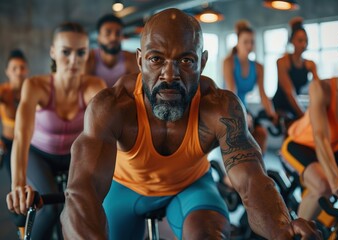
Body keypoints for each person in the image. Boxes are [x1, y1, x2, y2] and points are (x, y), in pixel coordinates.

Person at [60, 9, 321, 240]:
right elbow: (82, 191)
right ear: (140, 60)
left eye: (185, 61)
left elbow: (252, 180)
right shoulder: (113, 106)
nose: (170, 75)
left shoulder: (220, 107)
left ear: (202, 62)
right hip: (124, 188)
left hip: (191, 187)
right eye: (156, 59)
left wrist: (282, 229)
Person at [6, 22, 106, 239]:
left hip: (73, 156)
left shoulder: (94, 86)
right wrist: (18, 185)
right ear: (53, 52)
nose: (73, 60)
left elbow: (106, 132)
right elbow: (22, 137)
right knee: (48, 208)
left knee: (78, 209)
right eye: (66, 52)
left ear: (88, 53)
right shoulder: (35, 86)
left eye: (81, 52)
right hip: (39, 154)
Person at [280, 27, 338, 221]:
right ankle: (296, 234)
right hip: (299, 145)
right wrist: (335, 179)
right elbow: (321, 137)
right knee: (324, 184)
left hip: (330, 150)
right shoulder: (322, 88)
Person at [223, 20, 277, 153]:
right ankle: (231, 173)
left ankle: (259, 169)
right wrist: (242, 115)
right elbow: (232, 92)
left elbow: (263, 94)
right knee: (240, 140)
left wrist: (273, 114)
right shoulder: (229, 62)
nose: (249, 45)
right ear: (238, 43)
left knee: (262, 134)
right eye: (245, 42)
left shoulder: (258, 67)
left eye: (252, 42)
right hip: (229, 106)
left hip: (244, 107)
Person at [273, 17, 319, 124]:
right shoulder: (282, 62)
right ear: (292, 41)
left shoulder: (310, 64)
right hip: (280, 106)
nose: (304, 44)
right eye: (300, 40)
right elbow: (290, 92)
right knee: (291, 127)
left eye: (306, 41)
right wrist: (303, 115)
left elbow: (319, 87)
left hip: (294, 106)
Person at [85, 13, 139, 87]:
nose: (113, 38)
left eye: (118, 33)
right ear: (99, 38)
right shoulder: (90, 58)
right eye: (108, 33)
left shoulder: (130, 58)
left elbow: (137, 88)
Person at [0, 49, 28, 181]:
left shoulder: (32, 91)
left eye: (22, 68)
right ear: (7, 71)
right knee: (15, 181)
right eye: (14, 68)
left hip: (29, 143)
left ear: (26, 70)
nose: (18, 72)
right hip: (8, 143)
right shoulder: (3, 91)